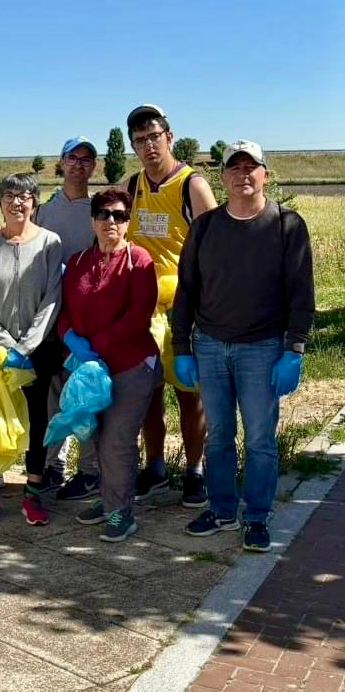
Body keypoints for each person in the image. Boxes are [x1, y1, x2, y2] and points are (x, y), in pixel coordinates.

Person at [173, 141, 314, 552]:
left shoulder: (287, 225)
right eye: (234, 168)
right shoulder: (206, 227)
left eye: (251, 167)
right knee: (218, 435)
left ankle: (256, 514)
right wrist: (183, 346)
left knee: (259, 439)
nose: (242, 175)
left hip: (263, 349)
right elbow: (187, 291)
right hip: (211, 346)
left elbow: (301, 294)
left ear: (265, 174)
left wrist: (294, 350)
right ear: (223, 177)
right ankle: (220, 509)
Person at [123, 104, 218, 508]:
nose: (148, 146)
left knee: (189, 394)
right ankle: (156, 466)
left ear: (170, 137)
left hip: (185, 310)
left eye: (153, 136)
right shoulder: (133, 186)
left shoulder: (191, 185)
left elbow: (216, 248)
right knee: (148, 394)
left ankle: (194, 471)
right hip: (143, 309)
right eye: (139, 140)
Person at [58, 190, 162, 541]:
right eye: (103, 214)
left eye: (119, 215)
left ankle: (122, 514)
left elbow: (138, 317)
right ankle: (108, 499)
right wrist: (71, 338)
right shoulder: (77, 262)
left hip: (131, 366)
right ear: (92, 220)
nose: (110, 222)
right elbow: (65, 311)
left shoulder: (140, 260)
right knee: (96, 437)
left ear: (128, 221)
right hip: (89, 372)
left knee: (118, 439)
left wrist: (95, 347)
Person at [0, 173, 63, 528]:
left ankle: (34, 493)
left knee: (38, 420)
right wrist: (7, 346)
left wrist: (26, 346)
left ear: (35, 202)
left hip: (38, 350)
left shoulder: (50, 243)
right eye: (8, 195)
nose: (16, 202)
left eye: (24, 195)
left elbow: (53, 299)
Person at [36, 136, 102, 500]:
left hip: (89, 321)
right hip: (50, 319)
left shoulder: (101, 210)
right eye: (72, 157)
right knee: (55, 396)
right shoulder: (44, 211)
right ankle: (53, 467)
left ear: (95, 166)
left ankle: (90, 470)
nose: (79, 164)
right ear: (60, 163)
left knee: (87, 395)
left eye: (86, 159)